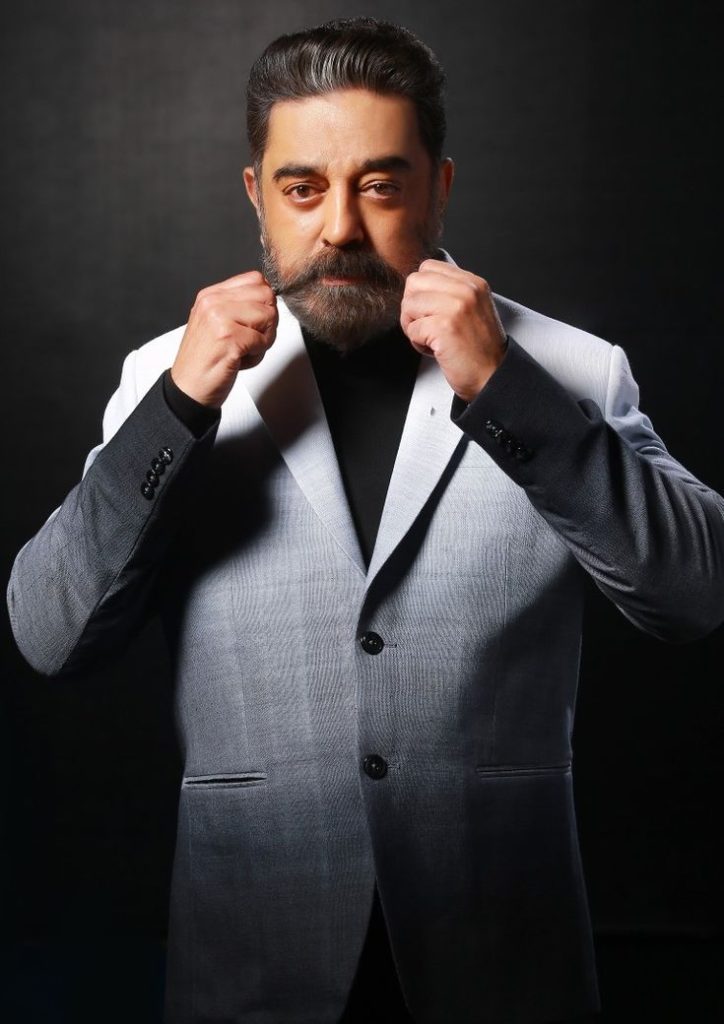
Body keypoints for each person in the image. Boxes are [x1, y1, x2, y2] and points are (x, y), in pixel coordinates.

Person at [7, 16, 724, 1024]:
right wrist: (175, 410)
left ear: (440, 187)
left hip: (502, 963)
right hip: (252, 962)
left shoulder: (571, 369)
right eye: (303, 188)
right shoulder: (165, 376)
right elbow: (49, 633)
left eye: (381, 186)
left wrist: (509, 390)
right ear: (257, 196)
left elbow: (695, 596)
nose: (340, 227)